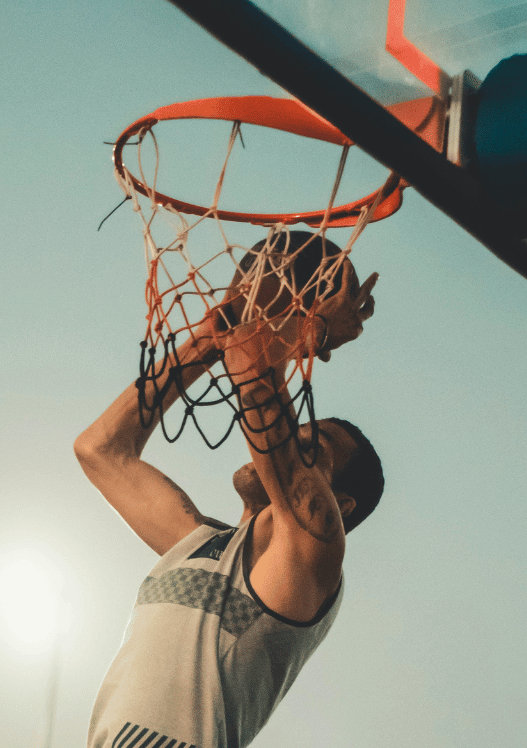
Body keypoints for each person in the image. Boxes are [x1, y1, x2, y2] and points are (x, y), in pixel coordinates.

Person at [75, 232, 383, 748]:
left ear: (341, 504)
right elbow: (102, 449)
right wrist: (204, 339)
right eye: (300, 422)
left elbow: (250, 360)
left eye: (317, 442)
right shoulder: (197, 546)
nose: (298, 430)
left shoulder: (315, 546)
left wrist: (317, 327)